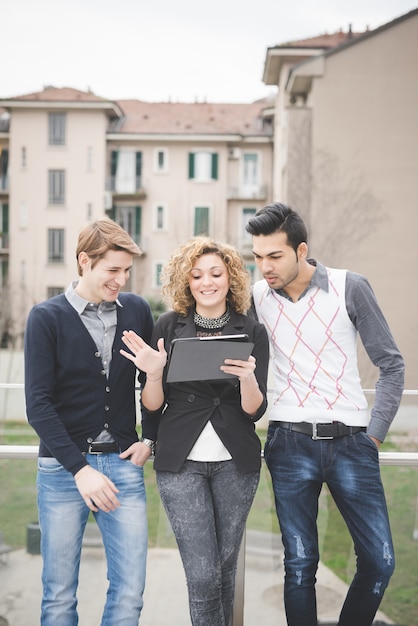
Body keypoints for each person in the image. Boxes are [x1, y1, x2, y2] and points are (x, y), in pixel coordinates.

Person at [245, 202, 405, 626]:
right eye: (257, 257)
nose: (264, 267)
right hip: (288, 442)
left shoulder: (349, 286)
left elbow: (391, 363)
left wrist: (373, 435)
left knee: (380, 561)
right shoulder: (257, 296)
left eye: (274, 256)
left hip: (353, 441)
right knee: (299, 565)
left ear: (302, 250)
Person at [120, 236, 269, 626]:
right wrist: (153, 373)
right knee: (202, 576)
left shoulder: (251, 330)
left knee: (222, 570)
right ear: (185, 281)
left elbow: (254, 411)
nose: (207, 282)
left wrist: (249, 378)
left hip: (236, 463)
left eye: (216, 274)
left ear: (230, 278)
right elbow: (152, 404)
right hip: (180, 462)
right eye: (197, 275)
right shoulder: (168, 325)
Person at [24, 218, 157, 625]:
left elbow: (151, 386)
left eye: (126, 271)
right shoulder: (45, 317)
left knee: (130, 592)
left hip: (122, 465)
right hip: (64, 472)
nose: (121, 280)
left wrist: (149, 437)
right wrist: (80, 470)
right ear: (85, 261)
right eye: (112, 270)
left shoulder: (136, 310)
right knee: (60, 596)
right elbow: (38, 405)